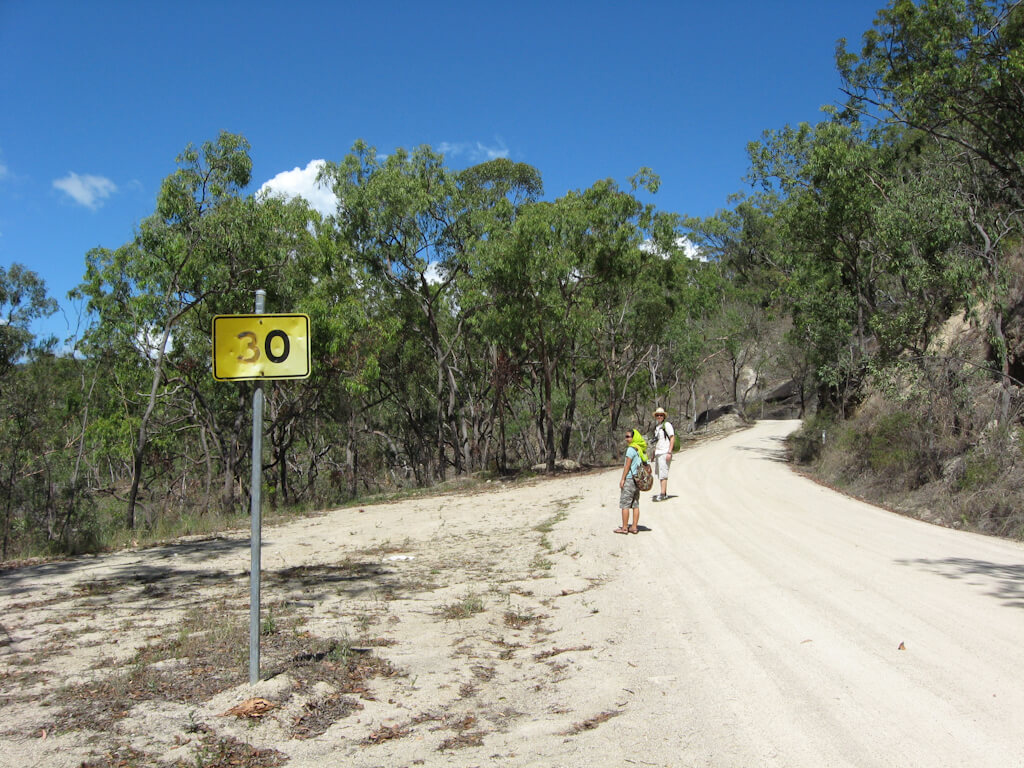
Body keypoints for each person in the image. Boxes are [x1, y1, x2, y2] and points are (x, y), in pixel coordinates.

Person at [615, 428, 646, 534]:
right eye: (626, 436)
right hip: (637, 480)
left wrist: (622, 479)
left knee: (625, 505)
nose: (626, 439)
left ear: (634, 437)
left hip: (629, 479)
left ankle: (624, 528)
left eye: (628, 437)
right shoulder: (639, 449)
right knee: (635, 504)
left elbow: (627, 466)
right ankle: (634, 527)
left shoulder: (631, 449)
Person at [651, 407, 675, 501]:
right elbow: (658, 441)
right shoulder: (657, 427)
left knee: (663, 473)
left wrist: (669, 452)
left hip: (665, 452)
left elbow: (672, 437)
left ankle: (662, 493)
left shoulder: (667, 425)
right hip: (658, 453)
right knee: (660, 473)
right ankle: (663, 492)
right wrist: (654, 453)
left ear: (664, 416)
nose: (659, 416)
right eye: (657, 415)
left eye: (661, 415)